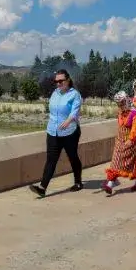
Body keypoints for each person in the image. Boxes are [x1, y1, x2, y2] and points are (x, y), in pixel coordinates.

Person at [29, 69, 83, 198]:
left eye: (61, 81)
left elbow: (75, 111)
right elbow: (53, 111)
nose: (58, 84)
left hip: (70, 132)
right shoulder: (55, 93)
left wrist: (68, 120)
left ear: (68, 80)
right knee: (51, 160)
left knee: (73, 157)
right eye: (56, 81)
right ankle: (42, 187)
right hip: (53, 131)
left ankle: (78, 182)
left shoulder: (74, 94)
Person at [102, 91, 136, 196]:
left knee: (134, 162)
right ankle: (110, 184)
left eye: (122, 102)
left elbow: (135, 127)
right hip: (120, 141)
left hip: (130, 142)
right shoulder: (120, 112)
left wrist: (131, 139)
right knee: (115, 162)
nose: (120, 105)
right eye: (119, 103)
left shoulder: (134, 113)